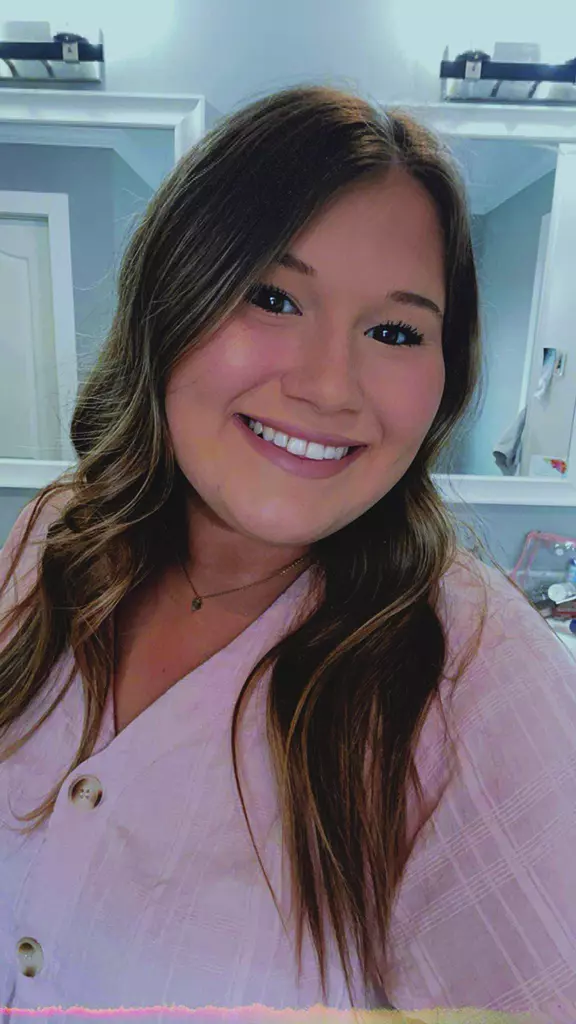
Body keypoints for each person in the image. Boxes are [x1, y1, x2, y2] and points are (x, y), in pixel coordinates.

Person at [0, 84, 575, 1024]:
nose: (326, 385)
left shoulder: (473, 672)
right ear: (169, 301)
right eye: (272, 297)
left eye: (394, 331)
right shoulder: (53, 538)